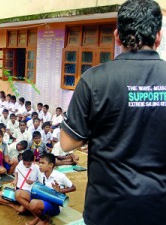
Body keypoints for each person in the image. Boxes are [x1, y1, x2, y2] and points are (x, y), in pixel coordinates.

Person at [60, 1, 166, 224]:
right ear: (158, 36)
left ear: (117, 36)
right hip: (159, 207)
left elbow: (67, 143)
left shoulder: (94, 79)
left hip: (107, 209)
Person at [15, 153, 75, 225]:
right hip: (42, 198)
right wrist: (32, 182)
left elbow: (73, 188)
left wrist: (60, 191)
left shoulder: (60, 176)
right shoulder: (41, 173)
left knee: (33, 203)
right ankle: (39, 217)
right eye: (40, 162)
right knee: (18, 193)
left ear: (51, 165)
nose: (40, 165)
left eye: (43, 163)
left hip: (54, 204)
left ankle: (43, 219)